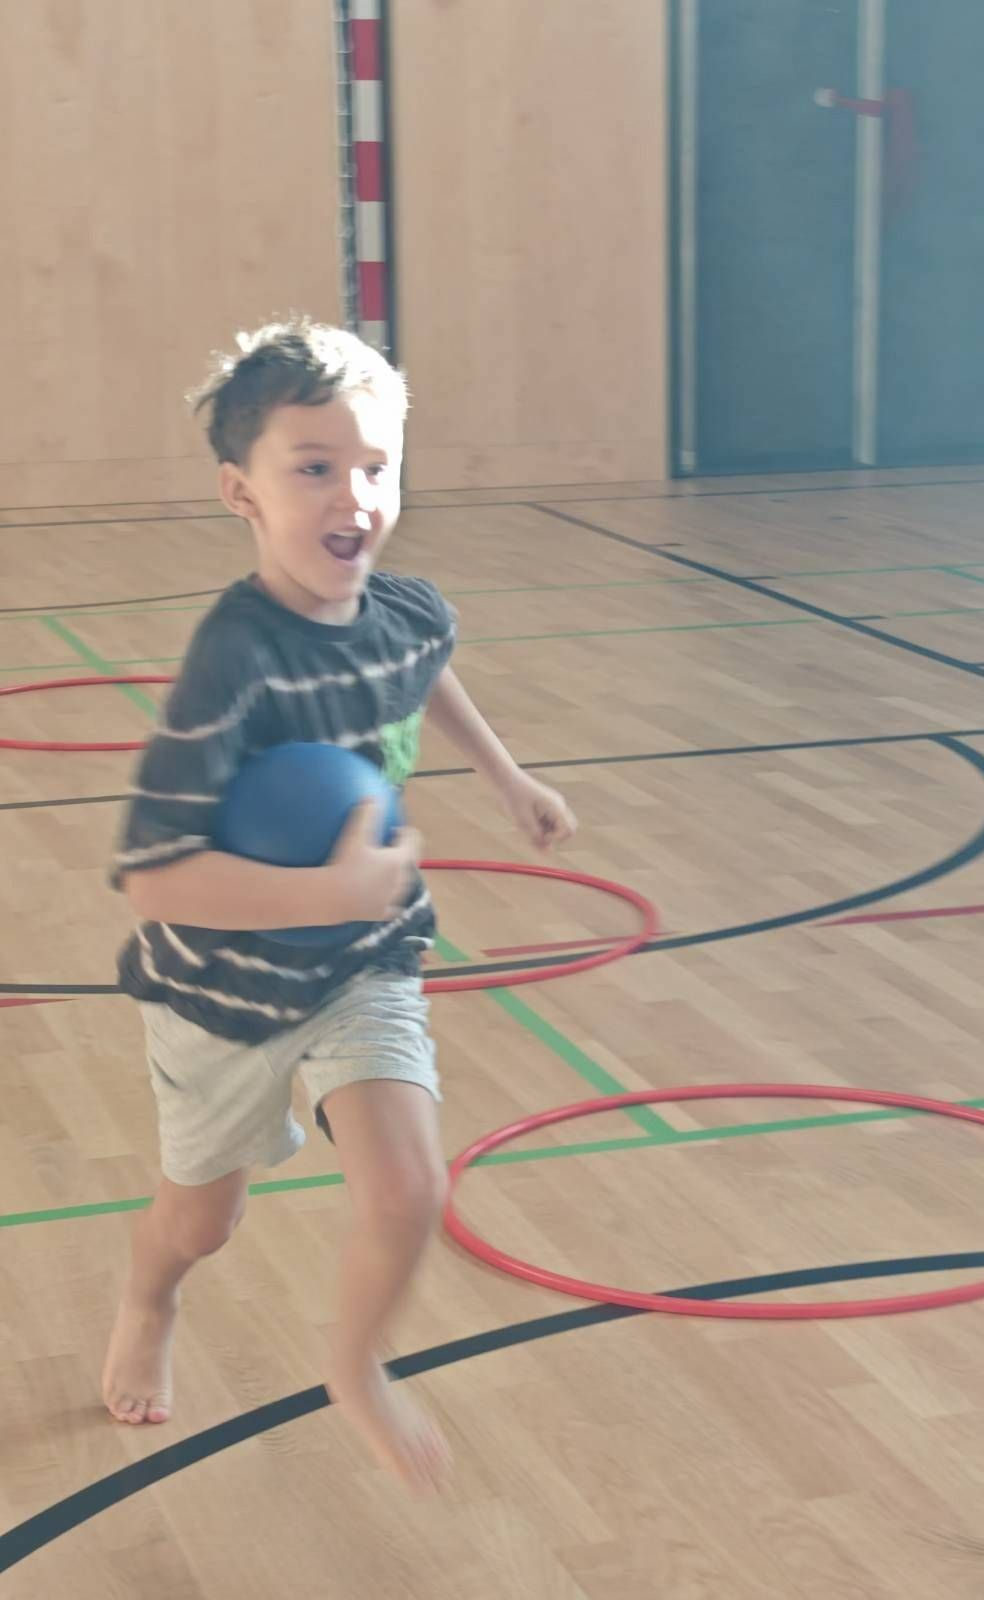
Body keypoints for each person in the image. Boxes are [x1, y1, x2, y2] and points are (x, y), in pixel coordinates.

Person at [101, 318, 576, 1491]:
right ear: (242, 490)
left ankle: (354, 1364)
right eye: (313, 466)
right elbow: (154, 873)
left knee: (411, 1186)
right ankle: (150, 1298)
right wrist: (329, 885)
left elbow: (423, 668)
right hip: (221, 986)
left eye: (374, 466)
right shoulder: (235, 659)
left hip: (365, 954)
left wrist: (508, 777)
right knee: (202, 1222)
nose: (351, 494)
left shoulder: (405, 610)